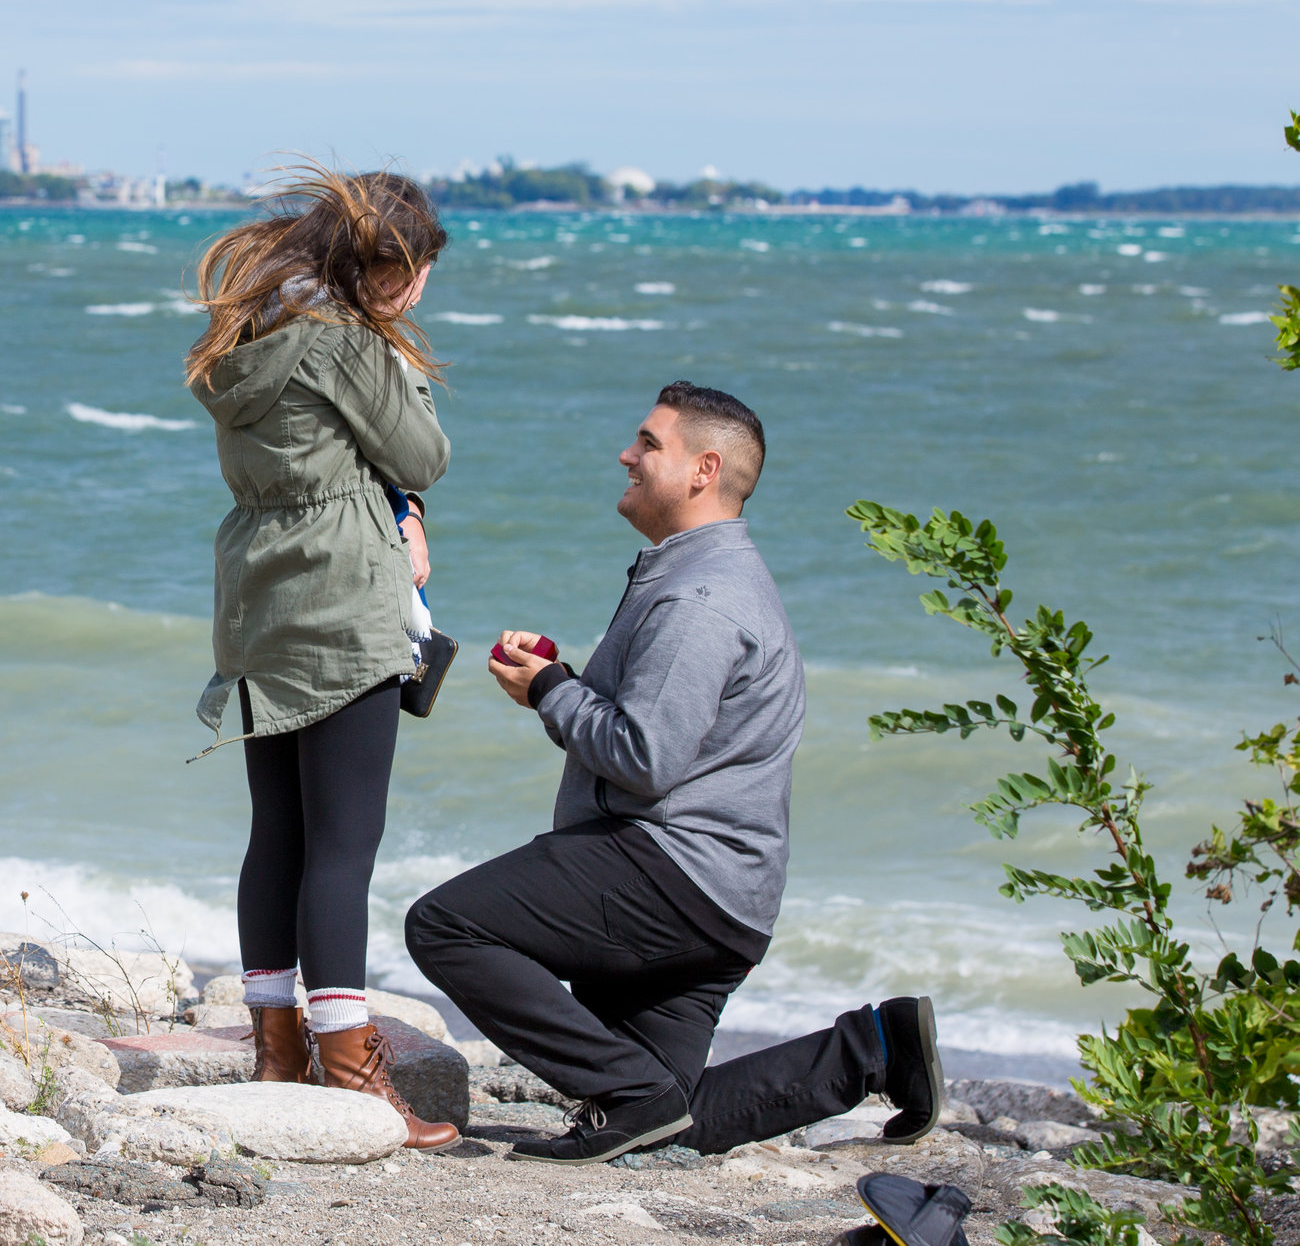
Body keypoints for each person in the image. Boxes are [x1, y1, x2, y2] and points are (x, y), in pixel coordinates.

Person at [403, 382, 944, 1164]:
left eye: (648, 444)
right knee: (667, 1128)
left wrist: (552, 693)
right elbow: (663, 733)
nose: (627, 454)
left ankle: (628, 1090)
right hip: (726, 903)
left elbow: (645, 760)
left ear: (704, 469)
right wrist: (564, 684)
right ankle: (874, 1048)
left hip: (671, 877)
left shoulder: (701, 595)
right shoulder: (704, 575)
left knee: (445, 924)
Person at [185, 167, 458, 1151]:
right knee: (344, 844)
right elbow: (421, 453)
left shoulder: (246, 337)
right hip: (345, 597)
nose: (420, 289)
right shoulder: (345, 346)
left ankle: (274, 1049)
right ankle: (350, 1068)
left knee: (280, 834)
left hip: (258, 593)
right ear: (387, 266)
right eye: (416, 268)